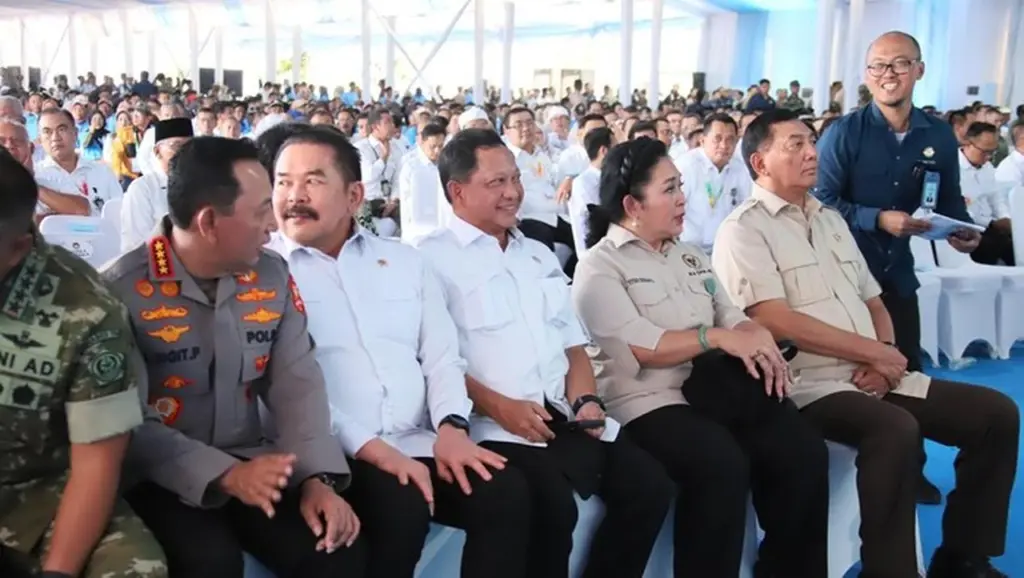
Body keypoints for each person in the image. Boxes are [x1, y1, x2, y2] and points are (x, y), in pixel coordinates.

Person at [713, 108, 1019, 578]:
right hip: (809, 386)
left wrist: (884, 358)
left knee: (995, 415)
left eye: (811, 141)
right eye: (795, 144)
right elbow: (773, 319)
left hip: (872, 371)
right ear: (760, 162)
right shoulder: (744, 229)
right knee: (894, 429)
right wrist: (874, 354)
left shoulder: (830, 220)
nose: (812, 152)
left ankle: (963, 557)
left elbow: (874, 300)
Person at [265, 126, 531, 578]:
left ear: (354, 196)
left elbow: (441, 357)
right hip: (334, 453)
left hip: (417, 439)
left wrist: (452, 426)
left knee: (505, 492)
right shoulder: (265, 275)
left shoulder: (403, 260)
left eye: (312, 181)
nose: (295, 196)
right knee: (400, 505)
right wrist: (371, 449)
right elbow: (283, 390)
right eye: (284, 182)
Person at [413, 129, 675, 578]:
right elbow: (431, 360)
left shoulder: (537, 255)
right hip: (491, 425)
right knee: (551, 507)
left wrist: (586, 400)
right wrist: (500, 407)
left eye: (515, 179)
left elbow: (572, 344)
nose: (513, 192)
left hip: (561, 417)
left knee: (649, 486)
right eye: (496, 183)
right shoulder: (427, 260)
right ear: (457, 191)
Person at [100, 137, 366, 578]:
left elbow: (297, 382)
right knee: (210, 562)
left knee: (335, 548)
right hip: (158, 477)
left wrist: (317, 478)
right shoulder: (121, 292)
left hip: (251, 461)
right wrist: (223, 474)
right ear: (208, 221)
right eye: (261, 211)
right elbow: (127, 420)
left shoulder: (270, 274)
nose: (273, 225)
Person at [572, 137, 828, 578]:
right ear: (632, 204)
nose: (682, 198)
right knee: (721, 463)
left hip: (714, 392)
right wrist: (716, 338)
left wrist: (756, 338)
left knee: (801, 449)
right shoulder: (600, 266)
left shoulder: (689, 255)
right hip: (647, 402)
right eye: (669, 189)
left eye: (681, 186)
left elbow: (732, 315)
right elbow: (644, 348)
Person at [813, 31, 981, 505]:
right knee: (854, 374)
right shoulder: (845, 133)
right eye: (878, 66)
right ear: (866, 75)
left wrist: (962, 230)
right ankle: (854, 478)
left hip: (898, 274)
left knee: (909, 372)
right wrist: (876, 218)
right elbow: (821, 203)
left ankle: (913, 471)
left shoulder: (938, 135)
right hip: (845, 279)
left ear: (919, 70)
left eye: (900, 64)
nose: (888, 75)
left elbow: (947, 200)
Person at [0, 147, 167, 578]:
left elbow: (96, 463)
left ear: (18, 248)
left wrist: (58, 573)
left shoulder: (85, 309)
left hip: (38, 494)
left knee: (137, 569)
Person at [121, 118, 194, 251]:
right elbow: (137, 245)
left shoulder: (204, 184)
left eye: (190, 146)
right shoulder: (143, 189)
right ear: (157, 152)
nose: (184, 153)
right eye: (176, 146)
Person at [957, 122, 1014, 265]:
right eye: (984, 151)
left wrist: (1005, 218)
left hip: (991, 227)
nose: (988, 157)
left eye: (993, 152)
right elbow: (962, 210)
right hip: (968, 228)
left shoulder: (987, 168)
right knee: (997, 245)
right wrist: (992, 223)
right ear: (967, 144)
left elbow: (996, 198)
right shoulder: (953, 168)